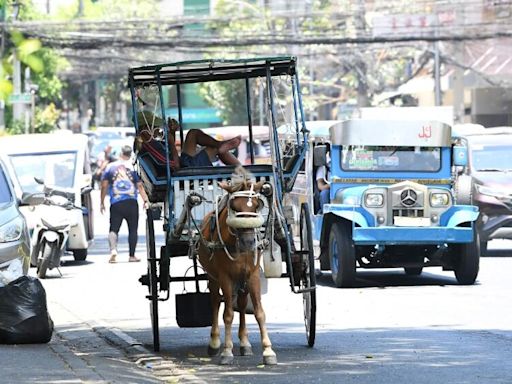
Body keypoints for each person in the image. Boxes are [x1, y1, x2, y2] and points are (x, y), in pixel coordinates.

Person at [136, 112, 241, 171]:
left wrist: (172, 132)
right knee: (213, 149)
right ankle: (242, 170)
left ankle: (221, 144)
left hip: (183, 164)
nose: (158, 129)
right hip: (182, 171)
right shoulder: (148, 145)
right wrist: (172, 142)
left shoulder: (150, 142)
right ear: (146, 128)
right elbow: (174, 165)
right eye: (155, 126)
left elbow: (169, 154)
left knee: (193, 133)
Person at [100, 145, 150, 263]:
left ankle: (113, 250)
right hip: (132, 202)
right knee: (133, 230)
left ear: (120, 154)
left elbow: (104, 185)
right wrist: (145, 200)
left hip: (116, 203)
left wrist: (101, 202)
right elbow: (140, 186)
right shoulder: (132, 168)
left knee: (113, 229)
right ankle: (132, 256)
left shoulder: (110, 167)